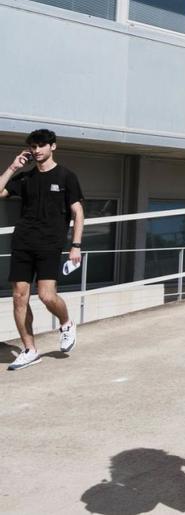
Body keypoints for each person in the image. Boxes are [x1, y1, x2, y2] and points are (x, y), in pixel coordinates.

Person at [1, 129, 83, 371]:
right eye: (33, 146)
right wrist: (13, 167)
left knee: (47, 296)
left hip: (50, 244)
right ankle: (30, 350)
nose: (36, 150)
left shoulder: (67, 176)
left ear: (52, 147)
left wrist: (75, 246)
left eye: (41, 146)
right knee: (18, 297)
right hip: (23, 242)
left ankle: (66, 323)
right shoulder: (25, 178)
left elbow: (78, 212)